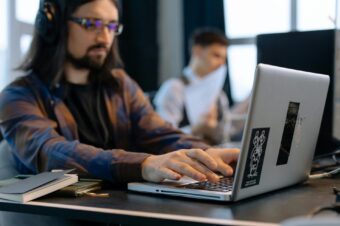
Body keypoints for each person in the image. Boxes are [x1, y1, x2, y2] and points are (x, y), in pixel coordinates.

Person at [0, 0, 239, 188]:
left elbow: (160, 134)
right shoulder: (17, 96)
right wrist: (143, 164)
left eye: (111, 26)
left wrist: (206, 154)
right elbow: (50, 152)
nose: (105, 37)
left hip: (121, 211)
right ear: (55, 26)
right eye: (91, 24)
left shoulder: (121, 86)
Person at [154, 28, 249, 145]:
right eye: (216, 55)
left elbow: (226, 134)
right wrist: (196, 128)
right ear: (198, 51)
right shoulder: (174, 89)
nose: (221, 64)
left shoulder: (219, 96)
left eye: (223, 59)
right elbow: (163, 137)